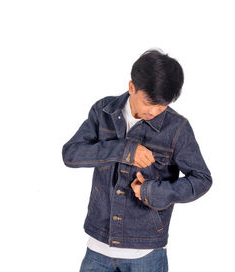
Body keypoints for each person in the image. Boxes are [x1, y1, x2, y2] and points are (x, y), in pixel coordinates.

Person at [62, 49, 212, 272]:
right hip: (98, 248)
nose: (154, 111)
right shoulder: (103, 111)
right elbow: (71, 154)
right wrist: (123, 150)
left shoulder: (177, 128)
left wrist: (154, 192)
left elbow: (202, 180)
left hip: (147, 253)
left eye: (161, 106)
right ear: (132, 87)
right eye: (149, 102)